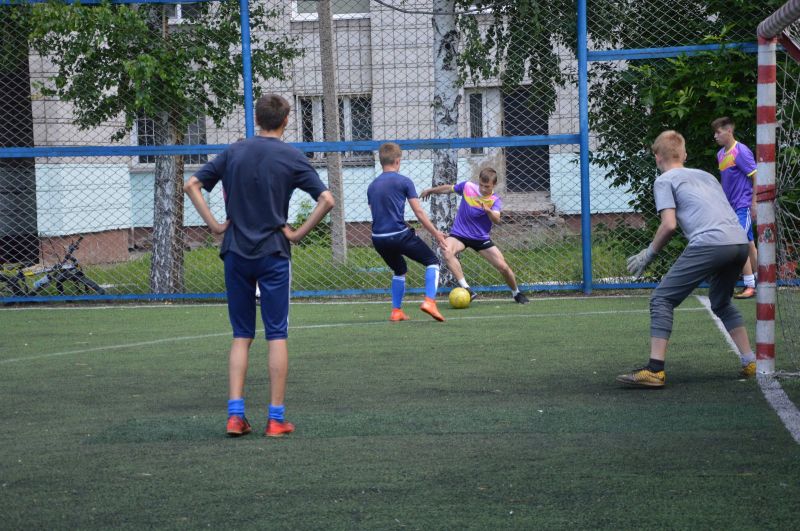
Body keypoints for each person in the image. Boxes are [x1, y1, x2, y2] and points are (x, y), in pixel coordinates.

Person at [184, 94, 335, 437]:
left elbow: (192, 185)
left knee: (241, 335)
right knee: (276, 334)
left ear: (257, 119)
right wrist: (297, 234)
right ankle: (275, 418)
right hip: (273, 253)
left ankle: (235, 416)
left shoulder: (234, 152)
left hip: (235, 252)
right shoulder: (291, 156)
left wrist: (215, 226)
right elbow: (327, 200)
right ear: (286, 121)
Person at [616, 130, 755, 388]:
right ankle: (750, 360)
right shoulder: (707, 176)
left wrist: (648, 254)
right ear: (685, 155)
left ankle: (655, 370)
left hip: (711, 243)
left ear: (657, 157)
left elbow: (669, 225)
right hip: (739, 242)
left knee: (661, 299)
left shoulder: (664, 180)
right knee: (721, 302)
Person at [419, 168, 529, 304]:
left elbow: (497, 219)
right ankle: (467, 289)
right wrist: (431, 190)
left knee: (503, 267)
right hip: (459, 235)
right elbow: (448, 188)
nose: (483, 189)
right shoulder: (468, 187)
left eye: (487, 186)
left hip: (480, 239)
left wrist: (488, 211)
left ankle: (516, 293)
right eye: (481, 185)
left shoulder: (495, 200)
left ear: (494, 185)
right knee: (446, 250)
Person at [367, 142, 448, 322]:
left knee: (399, 269)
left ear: (381, 161)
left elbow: (375, 212)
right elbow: (419, 212)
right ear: (397, 161)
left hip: (378, 238)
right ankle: (430, 302)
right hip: (399, 235)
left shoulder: (372, 186)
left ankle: (396, 311)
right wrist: (436, 233)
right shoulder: (404, 181)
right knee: (432, 262)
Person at [712, 117, 758, 299]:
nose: (715, 136)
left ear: (729, 131)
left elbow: (756, 177)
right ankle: (761, 280)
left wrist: (754, 203)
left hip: (743, 205)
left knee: (739, 242)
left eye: (718, 132)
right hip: (729, 208)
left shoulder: (741, 151)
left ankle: (750, 285)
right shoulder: (720, 154)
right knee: (749, 243)